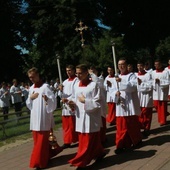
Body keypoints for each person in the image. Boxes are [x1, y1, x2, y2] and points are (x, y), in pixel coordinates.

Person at [68, 64, 106, 168]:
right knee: (87, 140)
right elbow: (73, 98)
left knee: (88, 141)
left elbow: (98, 103)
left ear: (86, 73)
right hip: (80, 116)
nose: (78, 75)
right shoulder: (76, 85)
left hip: (91, 117)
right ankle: (99, 153)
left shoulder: (94, 85)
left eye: (80, 73)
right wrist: (71, 103)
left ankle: (81, 161)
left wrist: (85, 101)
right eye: (77, 73)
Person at [26, 67, 63, 169]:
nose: (31, 79)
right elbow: (29, 105)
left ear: (38, 75)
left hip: (43, 118)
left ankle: (39, 162)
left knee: (41, 142)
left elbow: (53, 102)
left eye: (33, 77)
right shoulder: (32, 88)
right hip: (34, 118)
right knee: (37, 141)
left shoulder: (45, 87)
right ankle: (47, 155)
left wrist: (48, 100)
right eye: (30, 78)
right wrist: (30, 98)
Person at [113, 57, 142, 154]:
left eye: (123, 64)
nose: (121, 66)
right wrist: (115, 93)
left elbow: (133, 87)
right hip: (120, 105)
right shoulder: (115, 78)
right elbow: (111, 90)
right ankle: (120, 145)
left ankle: (136, 140)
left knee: (131, 125)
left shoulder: (132, 75)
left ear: (127, 66)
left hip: (130, 105)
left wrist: (121, 81)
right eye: (119, 65)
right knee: (121, 127)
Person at [58, 65, 78, 149]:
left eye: (70, 70)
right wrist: (60, 89)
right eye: (67, 71)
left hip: (72, 103)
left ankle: (74, 139)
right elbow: (60, 95)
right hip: (65, 106)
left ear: (73, 71)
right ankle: (67, 141)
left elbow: (76, 93)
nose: (68, 72)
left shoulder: (76, 80)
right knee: (66, 125)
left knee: (73, 124)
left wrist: (68, 99)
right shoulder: (65, 82)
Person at [89, 66, 107, 144]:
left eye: (93, 71)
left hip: (100, 103)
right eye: (90, 71)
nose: (92, 73)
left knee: (101, 121)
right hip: (92, 103)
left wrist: (92, 75)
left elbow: (97, 84)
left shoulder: (100, 79)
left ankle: (102, 138)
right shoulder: (89, 80)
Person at [135, 61, 153, 136]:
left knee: (146, 113)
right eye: (138, 66)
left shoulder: (148, 75)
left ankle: (147, 128)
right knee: (139, 114)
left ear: (144, 66)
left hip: (146, 97)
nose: (140, 67)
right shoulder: (134, 75)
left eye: (141, 66)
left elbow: (150, 87)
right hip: (138, 97)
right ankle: (140, 127)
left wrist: (141, 83)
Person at [152, 59, 170, 126]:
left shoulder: (165, 72)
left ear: (161, 65)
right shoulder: (153, 72)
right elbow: (151, 81)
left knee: (162, 107)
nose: (156, 66)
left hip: (162, 92)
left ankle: (162, 121)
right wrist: (154, 81)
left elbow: (168, 82)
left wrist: (160, 81)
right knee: (156, 105)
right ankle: (165, 113)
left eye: (158, 64)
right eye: (155, 64)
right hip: (156, 92)